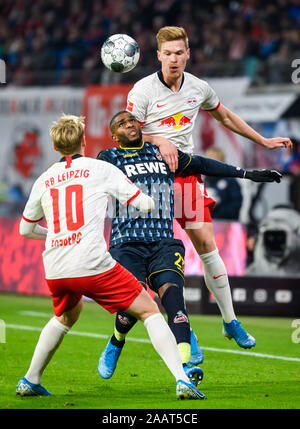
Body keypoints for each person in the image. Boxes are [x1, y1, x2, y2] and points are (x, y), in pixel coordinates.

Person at [15, 114, 207, 400]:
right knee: (149, 310)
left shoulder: (44, 179)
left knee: (66, 315)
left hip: (56, 268)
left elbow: (25, 229)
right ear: (83, 141)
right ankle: (182, 380)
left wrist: (58, 234)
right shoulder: (100, 168)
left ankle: (30, 379)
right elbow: (143, 203)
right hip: (91, 263)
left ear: (55, 147)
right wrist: (152, 198)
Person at [126, 26, 292, 349]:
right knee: (154, 259)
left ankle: (230, 321)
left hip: (186, 176)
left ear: (188, 54)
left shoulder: (198, 88)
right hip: (150, 179)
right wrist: (158, 139)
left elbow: (225, 116)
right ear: (158, 55)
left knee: (207, 245)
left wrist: (263, 140)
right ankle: (184, 333)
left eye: (179, 53)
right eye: (168, 53)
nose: (174, 59)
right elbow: (127, 133)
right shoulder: (142, 91)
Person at [97, 111, 282, 384]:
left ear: (140, 125)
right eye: (122, 124)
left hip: (162, 240)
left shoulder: (162, 154)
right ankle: (117, 340)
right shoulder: (108, 158)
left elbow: (202, 164)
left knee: (174, 300)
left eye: (132, 121)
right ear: (115, 136)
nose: (129, 125)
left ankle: (184, 368)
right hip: (127, 242)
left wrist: (247, 174)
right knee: (133, 306)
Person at [203, 147, 242, 220]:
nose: (211, 163)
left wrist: (215, 208)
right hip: (205, 225)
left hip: (225, 224)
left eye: (215, 159)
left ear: (222, 161)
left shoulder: (230, 181)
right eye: (208, 159)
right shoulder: (202, 181)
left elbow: (235, 206)